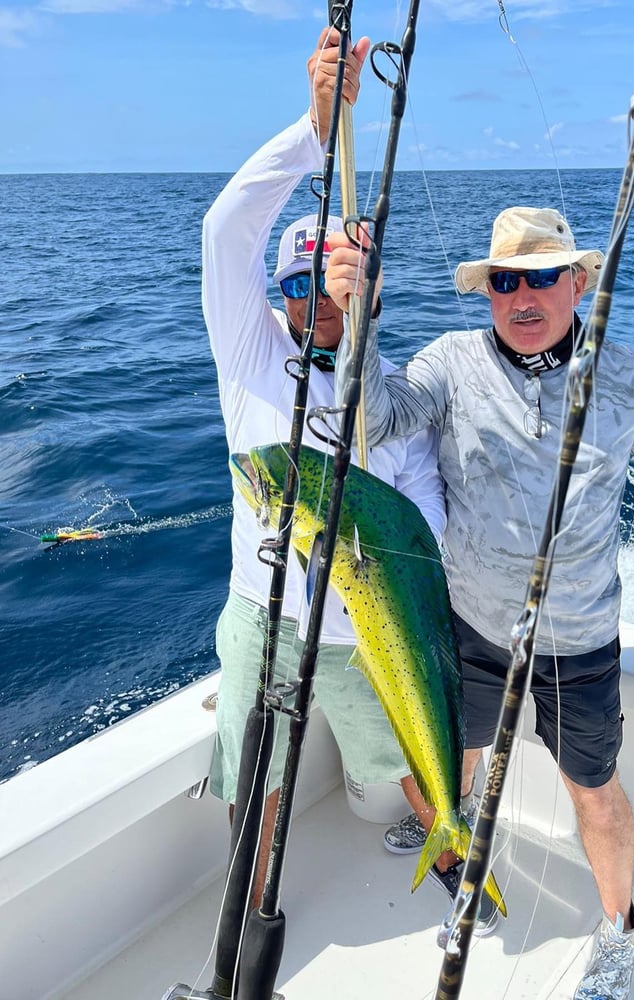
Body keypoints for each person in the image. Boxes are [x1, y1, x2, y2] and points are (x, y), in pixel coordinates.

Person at [325, 205, 634, 997]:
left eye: (542, 277)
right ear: (487, 291)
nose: (524, 297)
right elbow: (376, 416)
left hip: (581, 639)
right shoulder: (452, 362)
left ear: (579, 282)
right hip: (472, 626)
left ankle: (618, 931)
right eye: (504, 281)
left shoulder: (626, 375)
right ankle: (457, 860)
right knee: (449, 766)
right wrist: (360, 313)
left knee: (593, 793)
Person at [202, 27, 447, 911]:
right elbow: (225, 229)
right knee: (251, 774)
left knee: (402, 760)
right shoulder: (248, 351)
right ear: (280, 293)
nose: (317, 303)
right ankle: (249, 904)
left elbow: (421, 520)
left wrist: (370, 560)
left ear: (368, 289)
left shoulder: (392, 390)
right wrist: (316, 125)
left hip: (358, 634)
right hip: (257, 615)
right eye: (300, 286)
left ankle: (454, 856)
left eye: (338, 286)